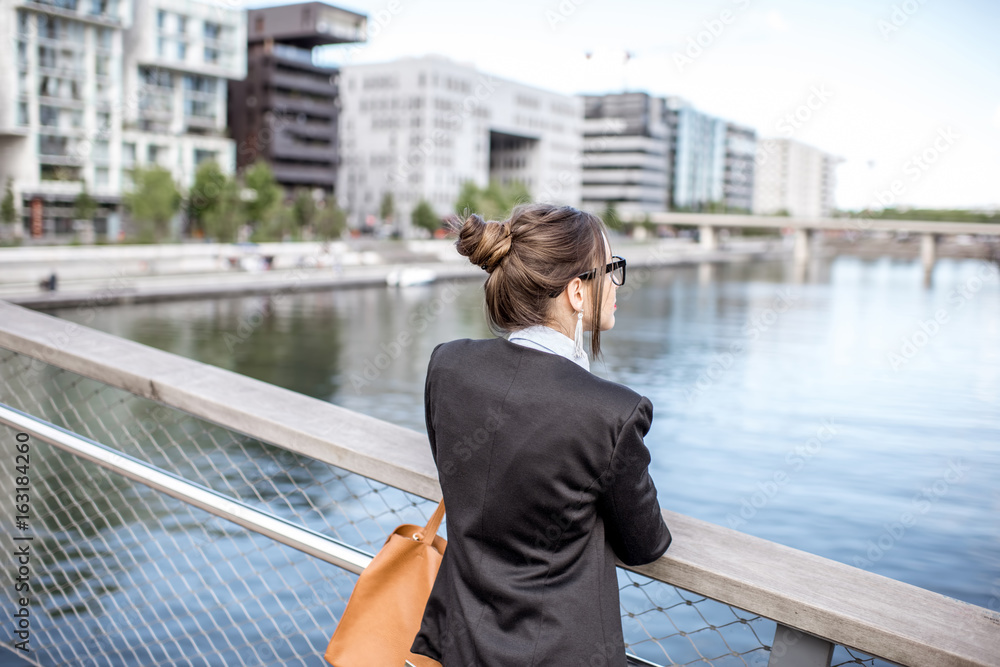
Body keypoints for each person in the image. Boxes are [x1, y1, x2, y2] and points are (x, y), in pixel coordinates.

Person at [410, 203, 672, 666]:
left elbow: (467, 475)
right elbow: (645, 544)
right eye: (610, 269)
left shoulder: (447, 364)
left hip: (462, 644)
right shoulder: (612, 412)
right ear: (575, 291)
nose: (615, 284)